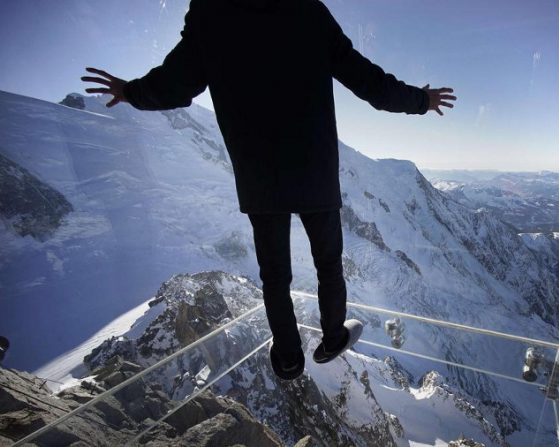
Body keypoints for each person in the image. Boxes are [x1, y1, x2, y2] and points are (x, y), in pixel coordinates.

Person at [81, 0, 456, 381]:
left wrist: (131, 91)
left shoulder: (212, 13)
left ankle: (289, 357)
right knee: (329, 263)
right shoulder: (308, 10)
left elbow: (174, 86)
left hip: (260, 175)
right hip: (315, 169)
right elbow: (369, 83)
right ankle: (332, 338)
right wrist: (421, 100)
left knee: (275, 275)